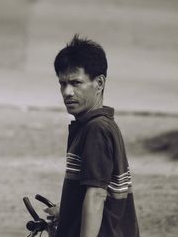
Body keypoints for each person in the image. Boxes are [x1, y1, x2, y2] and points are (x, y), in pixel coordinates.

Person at [45, 35, 139, 237]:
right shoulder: (95, 125)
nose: (67, 92)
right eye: (62, 83)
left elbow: (97, 194)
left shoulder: (97, 129)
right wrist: (67, 210)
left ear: (99, 83)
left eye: (76, 83)